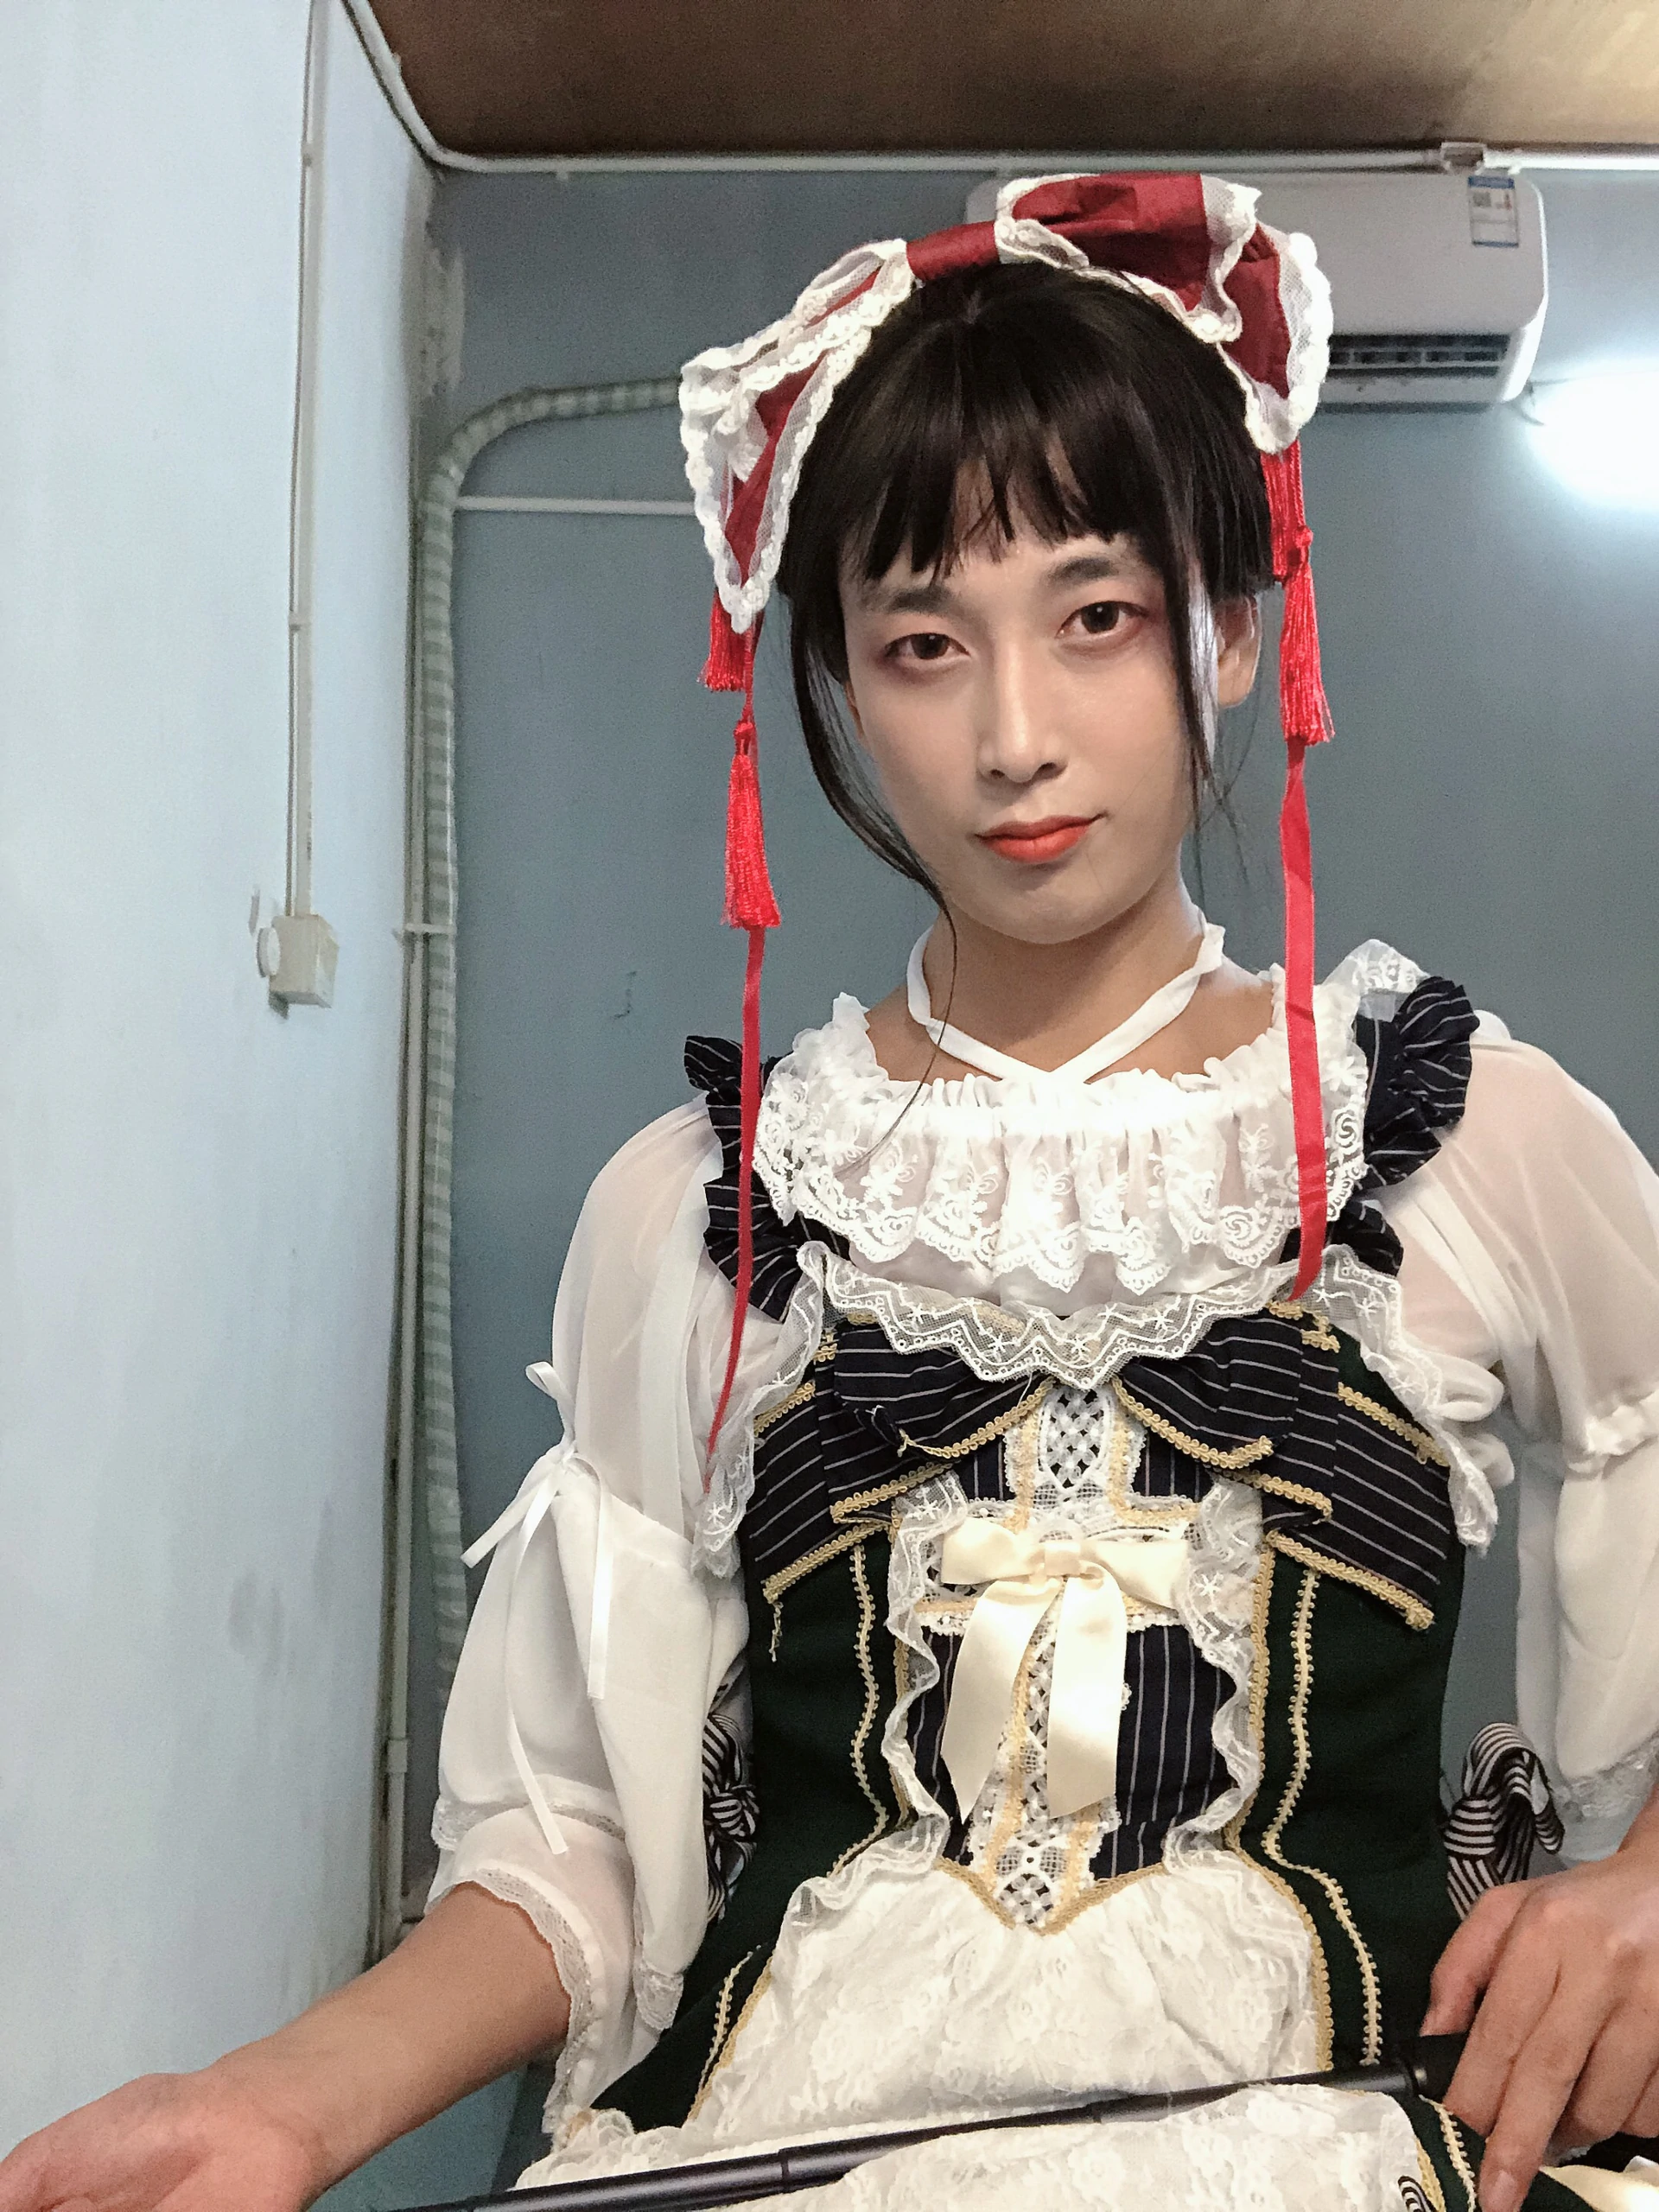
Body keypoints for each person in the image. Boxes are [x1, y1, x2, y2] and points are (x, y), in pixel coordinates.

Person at [4, 171, 1659, 2212]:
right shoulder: (701, 1210)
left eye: (1098, 615)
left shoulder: (1470, 1140)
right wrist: (281, 2103)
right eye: (922, 644)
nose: (1016, 737)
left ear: (1234, 630)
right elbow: (574, 1839)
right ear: (839, 696)